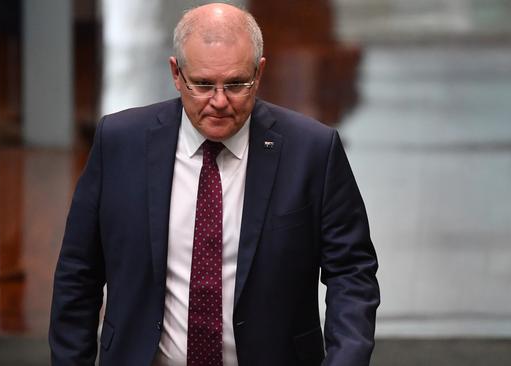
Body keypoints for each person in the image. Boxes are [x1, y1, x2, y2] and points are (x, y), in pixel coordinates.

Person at [49, 3, 379, 365]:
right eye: (204, 85)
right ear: (177, 74)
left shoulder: (312, 151)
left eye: (236, 84)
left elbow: (351, 272)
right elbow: (78, 275)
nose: (219, 102)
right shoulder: (119, 144)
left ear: (260, 71)